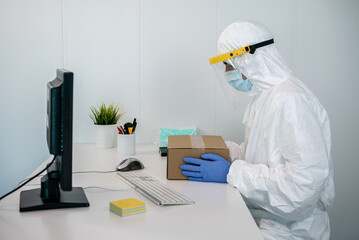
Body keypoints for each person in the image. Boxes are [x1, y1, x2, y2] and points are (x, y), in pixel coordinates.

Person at [180, 20, 334, 240]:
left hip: (292, 230)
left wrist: (230, 172)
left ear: (248, 59)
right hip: (266, 218)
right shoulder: (263, 97)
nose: (226, 73)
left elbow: (302, 188)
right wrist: (220, 149)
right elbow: (258, 155)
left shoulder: (293, 101)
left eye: (229, 65)